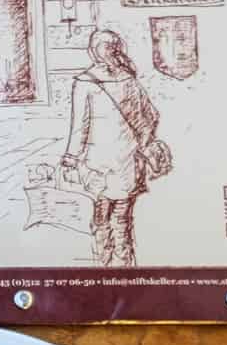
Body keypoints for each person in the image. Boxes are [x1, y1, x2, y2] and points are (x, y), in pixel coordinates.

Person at [60, 29, 170, 267]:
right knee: (122, 217)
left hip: (97, 163)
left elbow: (80, 126)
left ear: (93, 51)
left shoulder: (84, 83)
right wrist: (140, 141)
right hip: (128, 161)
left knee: (101, 214)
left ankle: (103, 264)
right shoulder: (129, 80)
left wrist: (70, 159)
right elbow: (151, 115)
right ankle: (125, 265)